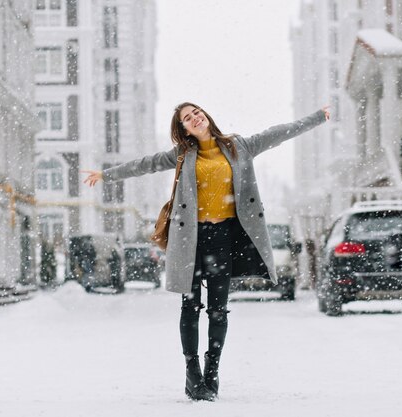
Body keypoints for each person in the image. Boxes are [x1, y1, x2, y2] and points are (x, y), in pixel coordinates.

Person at [82, 103, 330, 401]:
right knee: (190, 306)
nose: (194, 118)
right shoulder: (182, 155)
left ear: (206, 116)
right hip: (191, 237)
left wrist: (317, 117)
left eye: (196, 112)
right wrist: (106, 175)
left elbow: (278, 133)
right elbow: (145, 164)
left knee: (218, 309)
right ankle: (193, 373)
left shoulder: (239, 146)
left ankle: (212, 373)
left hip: (225, 237)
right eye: (187, 118)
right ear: (184, 129)